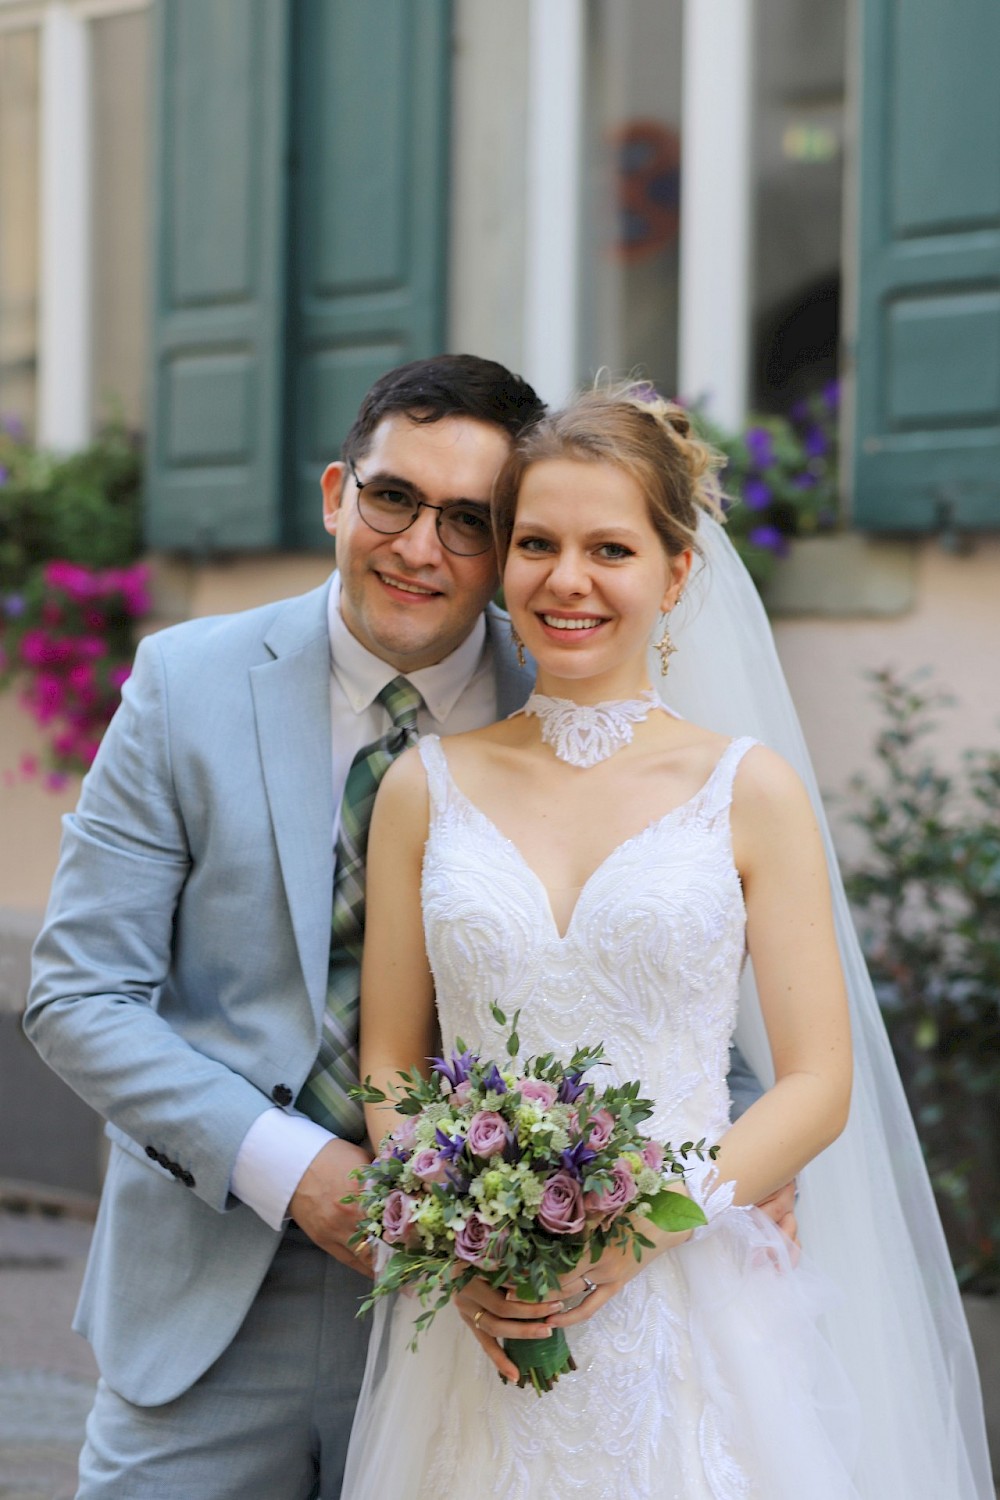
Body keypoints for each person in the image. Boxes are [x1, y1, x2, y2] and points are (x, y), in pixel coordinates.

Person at [22, 353, 774, 1499]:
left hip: (494, 1311)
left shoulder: (577, 690)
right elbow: (77, 996)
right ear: (337, 493)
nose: (420, 547)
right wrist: (300, 1171)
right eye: (392, 498)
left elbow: (657, 957)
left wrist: (752, 1163)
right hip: (216, 1287)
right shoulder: (186, 683)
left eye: (470, 521)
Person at [342, 389, 994, 1498]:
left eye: (612, 548)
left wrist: (636, 1232)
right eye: (537, 543)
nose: (568, 580)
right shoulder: (423, 787)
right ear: (504, 565)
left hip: (698, 1312)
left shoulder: (747, 790)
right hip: (482, 1320)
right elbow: (391, 1061)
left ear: (676, 573)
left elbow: (817, 1083)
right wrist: (458, 1242)